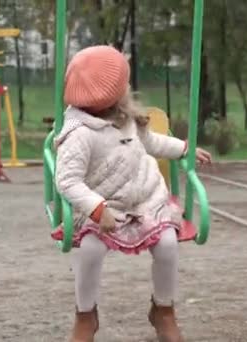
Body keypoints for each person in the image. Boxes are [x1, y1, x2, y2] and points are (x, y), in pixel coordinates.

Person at [51, 45, 211, 341]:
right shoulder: (79, 134)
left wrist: (183, 149)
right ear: (110, 93)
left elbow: (152, 143)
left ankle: (163, 309)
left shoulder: (127, 118)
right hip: (104, 205)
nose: (127, 88)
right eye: (123, 83)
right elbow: (68, 181)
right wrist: (97, 208)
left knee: (166, 245)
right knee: (90, 250)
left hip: (147, 200)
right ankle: (85, 315)